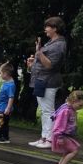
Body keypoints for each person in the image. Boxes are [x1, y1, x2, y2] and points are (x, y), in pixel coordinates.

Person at [27, 17, 69, 149]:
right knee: (44, 110)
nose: (45, 29)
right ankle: (43, 137)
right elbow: (42, 62)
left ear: (55, 28)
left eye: (48, 26)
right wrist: (31, 65)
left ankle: (50, 140)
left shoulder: (59, 45)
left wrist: (39, 52)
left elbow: (50, 65)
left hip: (48, 81)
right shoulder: (51, 43)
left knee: (48, 111)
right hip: (41, 80)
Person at [50, 91, 83, 164]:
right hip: (61, 135)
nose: (81, 108)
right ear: (74, 101)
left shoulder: (70, 109)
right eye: (80, 105)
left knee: (67, 152)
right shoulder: (65, 111)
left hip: (65, 135)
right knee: (74, 150)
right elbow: (59, 125)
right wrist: (60, 137)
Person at [0, 62, 17, 144]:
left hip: (4, 109)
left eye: (1, 73)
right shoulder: (6, 82)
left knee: (3, 123)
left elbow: (11, 97)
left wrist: (8, 108)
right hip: (0, 107)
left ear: (6, 73)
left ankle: (5, 137)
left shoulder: (11, 85)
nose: (0, 75)